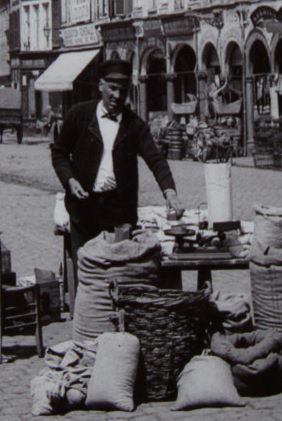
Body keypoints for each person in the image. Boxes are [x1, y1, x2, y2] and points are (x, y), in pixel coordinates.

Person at [50, 57, 184, 265]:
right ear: (100, 85)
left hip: (119, 215)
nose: (117, 95)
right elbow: (59, 153)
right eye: (112, 88)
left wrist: (170, 192)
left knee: (119, 275)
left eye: (123, 90)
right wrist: (70, 180)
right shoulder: (79, 115)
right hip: (83, 212)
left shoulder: (135, 125)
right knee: (87, 275)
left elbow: (155, 159)